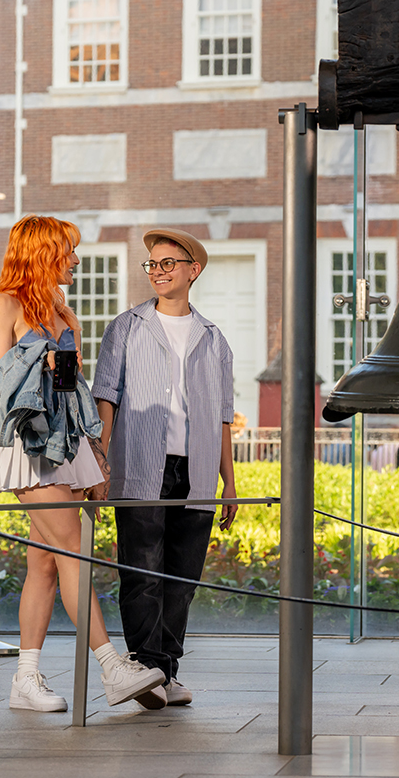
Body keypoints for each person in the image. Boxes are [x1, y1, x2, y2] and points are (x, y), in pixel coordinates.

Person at [0, 215, 167, 713]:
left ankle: (25, 678)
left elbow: (74, 393)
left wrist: (97, 456)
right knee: (72, 548)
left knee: (44, 563)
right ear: (42, 252)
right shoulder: (4, 306)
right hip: (28, 445)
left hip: (69, 447)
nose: (76, 261)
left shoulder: (64, 315)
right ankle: (111, 666)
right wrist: (32, 364)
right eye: (68, 251)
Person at [91, 227, 239, 707]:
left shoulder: (214, 341)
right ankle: (147, 668)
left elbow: (221, 418)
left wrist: (229, 484)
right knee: (142, 572)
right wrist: (100, 459)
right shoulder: (127, 327)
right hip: (139, 467)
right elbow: (106, 397)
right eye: (151, 264)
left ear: (193, 270)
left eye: (167, 263)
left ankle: (164, 672)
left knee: (182, 579)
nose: (157, 271)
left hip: (195, 474)